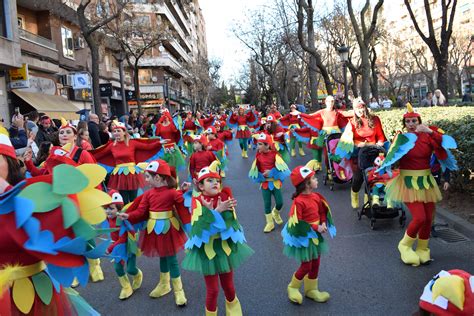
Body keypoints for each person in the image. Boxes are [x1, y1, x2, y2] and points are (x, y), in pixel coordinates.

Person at [0, 132, 111, 314]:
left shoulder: (32, 196)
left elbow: (68, 192)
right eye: (62, 132)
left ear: (9, 163)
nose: (65, 135)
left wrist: (8, 194)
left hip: (31, 295)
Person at [376, 103, 458, 267]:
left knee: (428, 218)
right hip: (407, 183)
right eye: (408, 122)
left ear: (420, 121)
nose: (412, 124)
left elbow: (442, 147)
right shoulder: (401, 138)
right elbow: (391, 155)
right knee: (419, 217)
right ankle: (405, 245)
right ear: (404, 124)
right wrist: (385, 165)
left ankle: (422, 249)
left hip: (426, 182)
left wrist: (429, 131)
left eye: (414, 121)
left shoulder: (429, 136)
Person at [182, 164, 254, 316]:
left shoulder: (225, 198)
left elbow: (229, 226)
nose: (215, 183)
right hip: (207, 250)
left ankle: (233, 308)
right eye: (209, 180)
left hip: (223, 248)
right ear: (200, 186)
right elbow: (199, 230)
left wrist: (220, 211)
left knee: (228, 286)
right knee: (213, 290)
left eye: (217, 180)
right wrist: (215, 211)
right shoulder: (197, 202)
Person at [119, 159, 191, 305]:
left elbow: (184, 206)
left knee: (171, 259)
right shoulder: (148, 194)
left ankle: (179, 290)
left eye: (147, 177)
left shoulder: (172, 193)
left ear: (157, 177)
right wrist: (129, 216)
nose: (145, 180)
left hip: (169, 229)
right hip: (154, 230)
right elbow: (141, 211)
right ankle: (164, 284)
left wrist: (183, 192)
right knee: (163, 256)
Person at [283, 165, 336, 305]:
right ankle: (293, 287)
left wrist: (323, 223)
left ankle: (311, 289)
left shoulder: (316, 197)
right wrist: (315, 227)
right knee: (306, 265)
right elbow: (297, 222)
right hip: (304, 237)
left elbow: (321, 212)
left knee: (316, 263)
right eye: (313, 178)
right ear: (307, 184)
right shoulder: (298, 202)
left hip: (315, 236)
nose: (316, 179)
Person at [91, 120, 163, 204]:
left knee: (134, 200)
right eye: (114, 131)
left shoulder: (132, 143)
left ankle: (134, 215)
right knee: (124, 200)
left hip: (132, 174)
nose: (116, 133)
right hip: (120, 175)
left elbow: (147, 147)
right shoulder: (111, 145)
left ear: (124, 132)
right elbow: (99, 154)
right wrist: (83, 155)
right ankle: (126, 215)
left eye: (118, 131)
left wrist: (159, 143)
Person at [335, 98, 386, 209]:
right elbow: (348, 139)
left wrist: (380, 142)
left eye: (362, 107)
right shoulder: (352, 122)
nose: (360, 110)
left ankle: (368, 200)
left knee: (372, 176)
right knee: (358, 177)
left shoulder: (375, 119)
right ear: (354, 109)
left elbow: (381, 136)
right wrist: (359, 143)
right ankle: (354, 194)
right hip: (358, 152)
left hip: (374, 150)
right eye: (358, 108)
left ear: (365, 107)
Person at [104, 190, 143, 300]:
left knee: (130, 269)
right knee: (118, 267)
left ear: (119, 209)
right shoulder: (108, 217)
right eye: (106, 208)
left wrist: (110, 248)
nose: (108, 211)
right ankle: (126, 287)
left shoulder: (122, 220)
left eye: (111, 208)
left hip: (128, 246)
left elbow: (123, 238)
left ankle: (137, 275)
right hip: (117, 247)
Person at [249, 133, 290, 233]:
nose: (257, 146)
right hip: (265, 184)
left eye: (260, 144)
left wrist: (271, 172)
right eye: (258, 144)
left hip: (275, 182)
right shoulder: (258, 156)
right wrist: (259, 174)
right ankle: (269, 223)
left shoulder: (275, 155)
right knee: (267, 204)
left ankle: (275, 213)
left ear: (267, 145)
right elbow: (255, 169)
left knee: (280, 202)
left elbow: (282, 168)